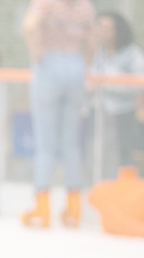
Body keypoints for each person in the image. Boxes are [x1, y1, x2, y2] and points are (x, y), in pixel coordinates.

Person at [21, 0, 96, 228]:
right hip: (75, 65)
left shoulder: (47, 3)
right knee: (70, 142)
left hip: (49, 63)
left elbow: (29, 26)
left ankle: (42, 206)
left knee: (45, 143)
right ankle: (74, 207)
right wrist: (86, 65)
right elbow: (92, 39)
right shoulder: (85, 6)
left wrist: (36, 53)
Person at [91, 11, 144, 179]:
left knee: (124, 153)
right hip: (101, 112)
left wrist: (114, 82)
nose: (101, 31)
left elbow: (142, 83)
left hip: (124, 112)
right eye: (99, 27)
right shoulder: (97, 52)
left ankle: (124, 189)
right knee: (99, 153)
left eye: (106, 28)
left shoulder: (132, 54)